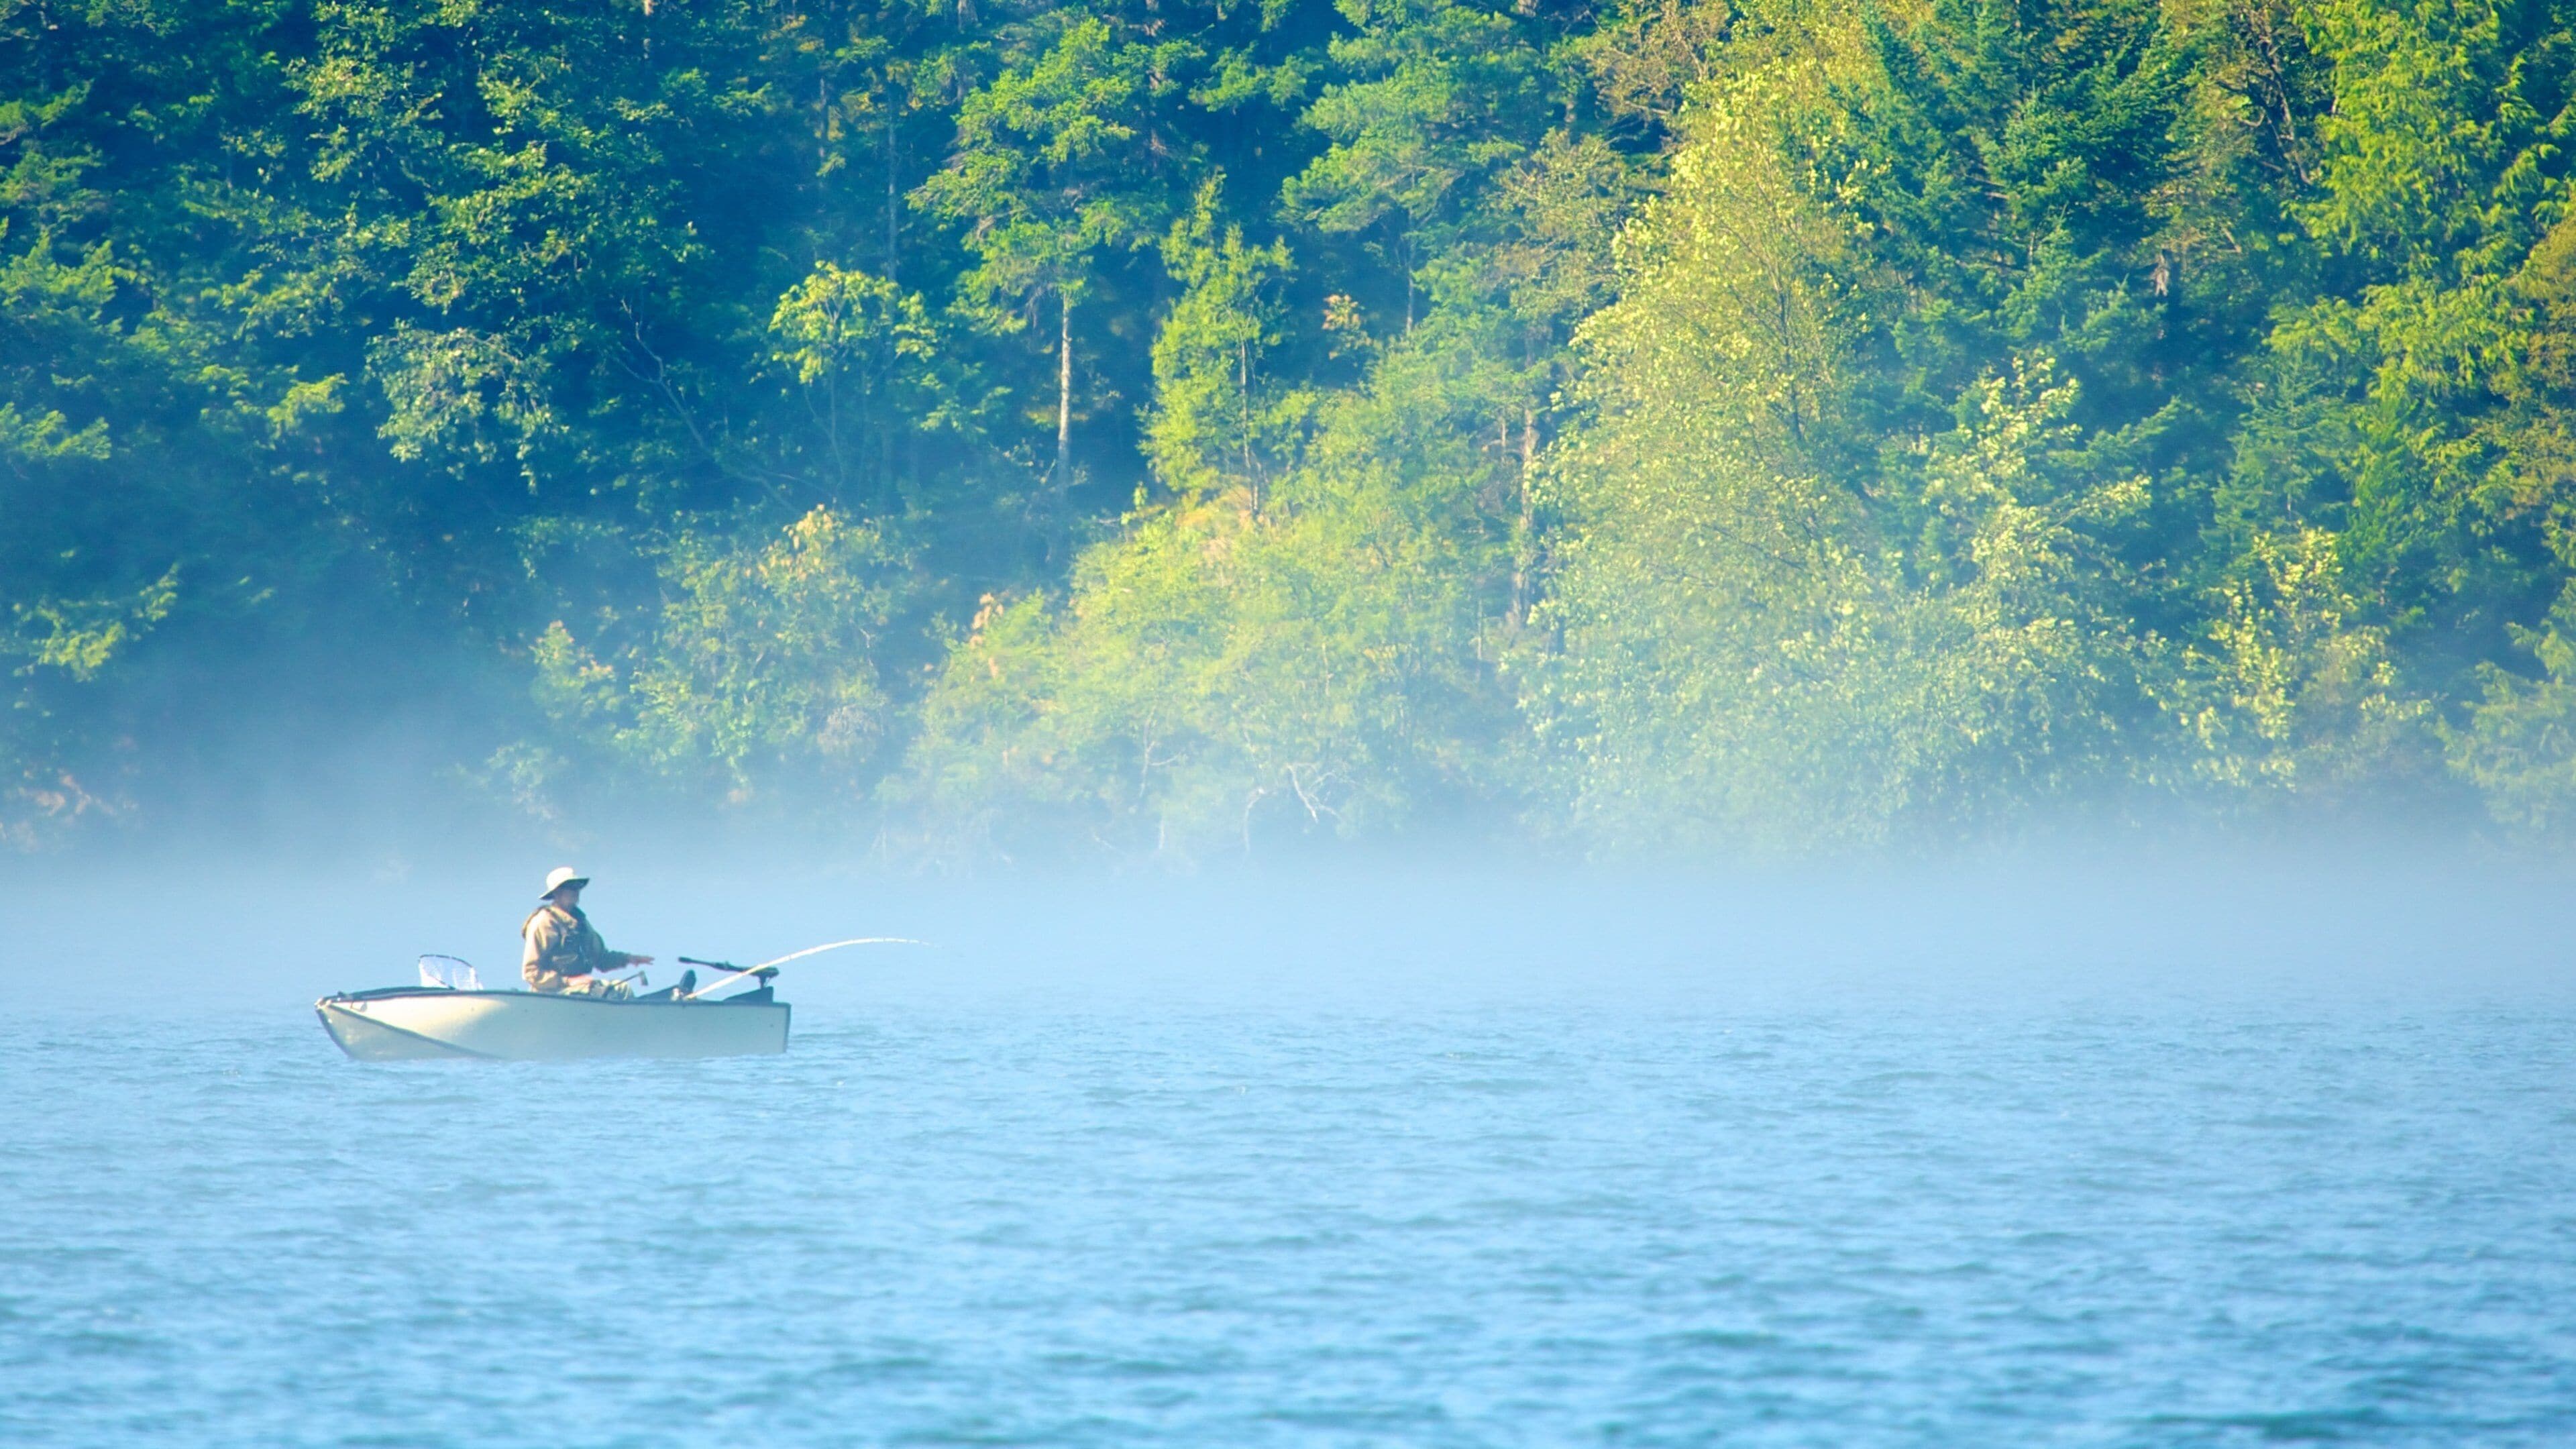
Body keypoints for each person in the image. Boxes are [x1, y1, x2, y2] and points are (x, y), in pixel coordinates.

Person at [521, 867, 654, 997]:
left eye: (577, 886)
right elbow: (530, 972)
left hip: (579, 991)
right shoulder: (544, 922)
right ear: (557, 892)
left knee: (621, 989)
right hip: (552, 995)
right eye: (570, 886)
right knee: (616, 992)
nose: (576, 891)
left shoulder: (581, 923)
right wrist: (568, 981)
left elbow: (602, 959)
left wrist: (629, 959)